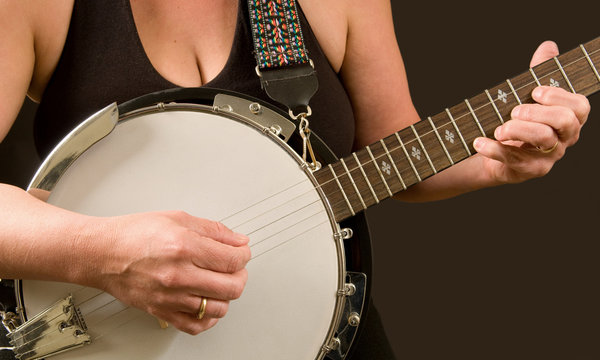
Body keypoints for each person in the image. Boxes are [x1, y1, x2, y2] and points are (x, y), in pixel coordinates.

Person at [0, 0, 590, 359]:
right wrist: (106, 255)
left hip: (324, 341)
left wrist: (492, 160)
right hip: (98, 341)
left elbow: (388, 150)